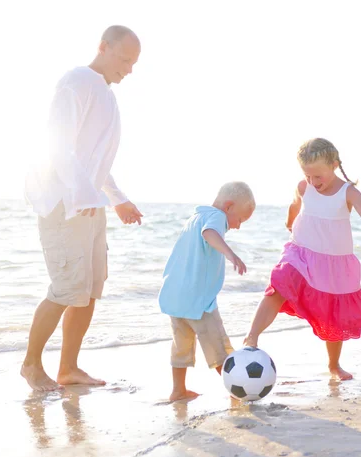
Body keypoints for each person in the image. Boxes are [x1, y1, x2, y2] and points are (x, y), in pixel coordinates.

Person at [21, 25, 143, 391]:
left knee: (89, 289)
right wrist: (83, 193)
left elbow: (95, 161)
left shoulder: (106, 95)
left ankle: (69, 368)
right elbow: (58, 144)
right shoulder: (77, 81)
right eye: (124, 59)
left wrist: (117, 198)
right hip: (64, 204)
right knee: (66, 288)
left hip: (89, 205)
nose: (129, 69)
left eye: (134, 63)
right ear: (103, 47)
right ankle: (30, 365)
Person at [243, 138, 361, 380]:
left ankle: (334, 365)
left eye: (318, 176)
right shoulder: (304, 186)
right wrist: (290, 223)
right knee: (279, 285)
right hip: (300, 252)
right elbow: (295, 206)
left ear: (335, 165)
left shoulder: (348, 192)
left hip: (334, 261)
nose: (313, 182)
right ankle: (251, 336)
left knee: (333, 314)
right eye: (309, 176)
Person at [158, 182, 256, 401]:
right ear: (229, 206)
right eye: (240, 219)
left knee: (181, 347)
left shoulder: (194, 217)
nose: (238, 226)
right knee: (219, 348)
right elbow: (209, 233)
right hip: (199, 301)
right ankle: (237, 391)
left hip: (176, 298)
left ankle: (178, 390)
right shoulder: (217, 218)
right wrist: (231, 255)